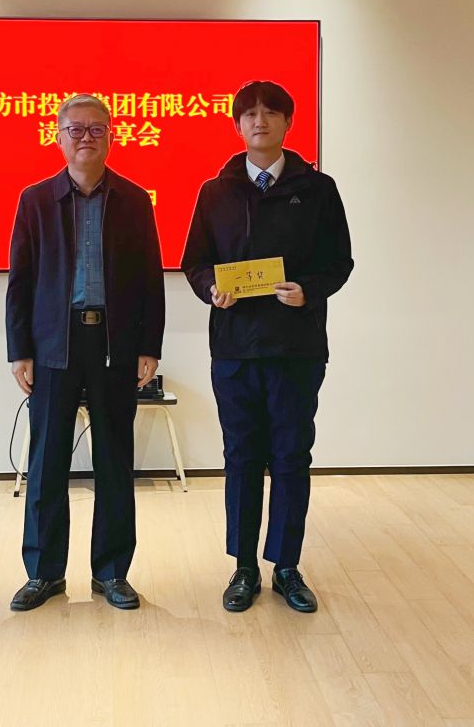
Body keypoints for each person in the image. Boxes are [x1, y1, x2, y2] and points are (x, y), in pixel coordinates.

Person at [181, 80, 353, 613]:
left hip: (296, 347)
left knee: (291, 456)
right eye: (250, 114)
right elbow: (195, 261)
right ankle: (243, 567)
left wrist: (309, 291)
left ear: (288, 123)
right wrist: (211, 288)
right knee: (241, 457)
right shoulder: (216, 191)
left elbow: (339, 261)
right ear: (237, 125)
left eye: (271, 113)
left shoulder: (318, 189)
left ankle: (287, 566)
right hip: (234, 349)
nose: (260, 121)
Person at [6, 93, 165, 611]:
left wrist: (150, 345)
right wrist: (19, 350)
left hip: (115, 344)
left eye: (97, 128)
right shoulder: (35, 200)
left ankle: (112, 573)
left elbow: (150, 278)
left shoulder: (134, 200)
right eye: (75, 129)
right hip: (54, 343)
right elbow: (20, 281)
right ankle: (44, 573)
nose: (86, 137)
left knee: (114, 460)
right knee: (47, 460)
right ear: (59, 137)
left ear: (111, 136)